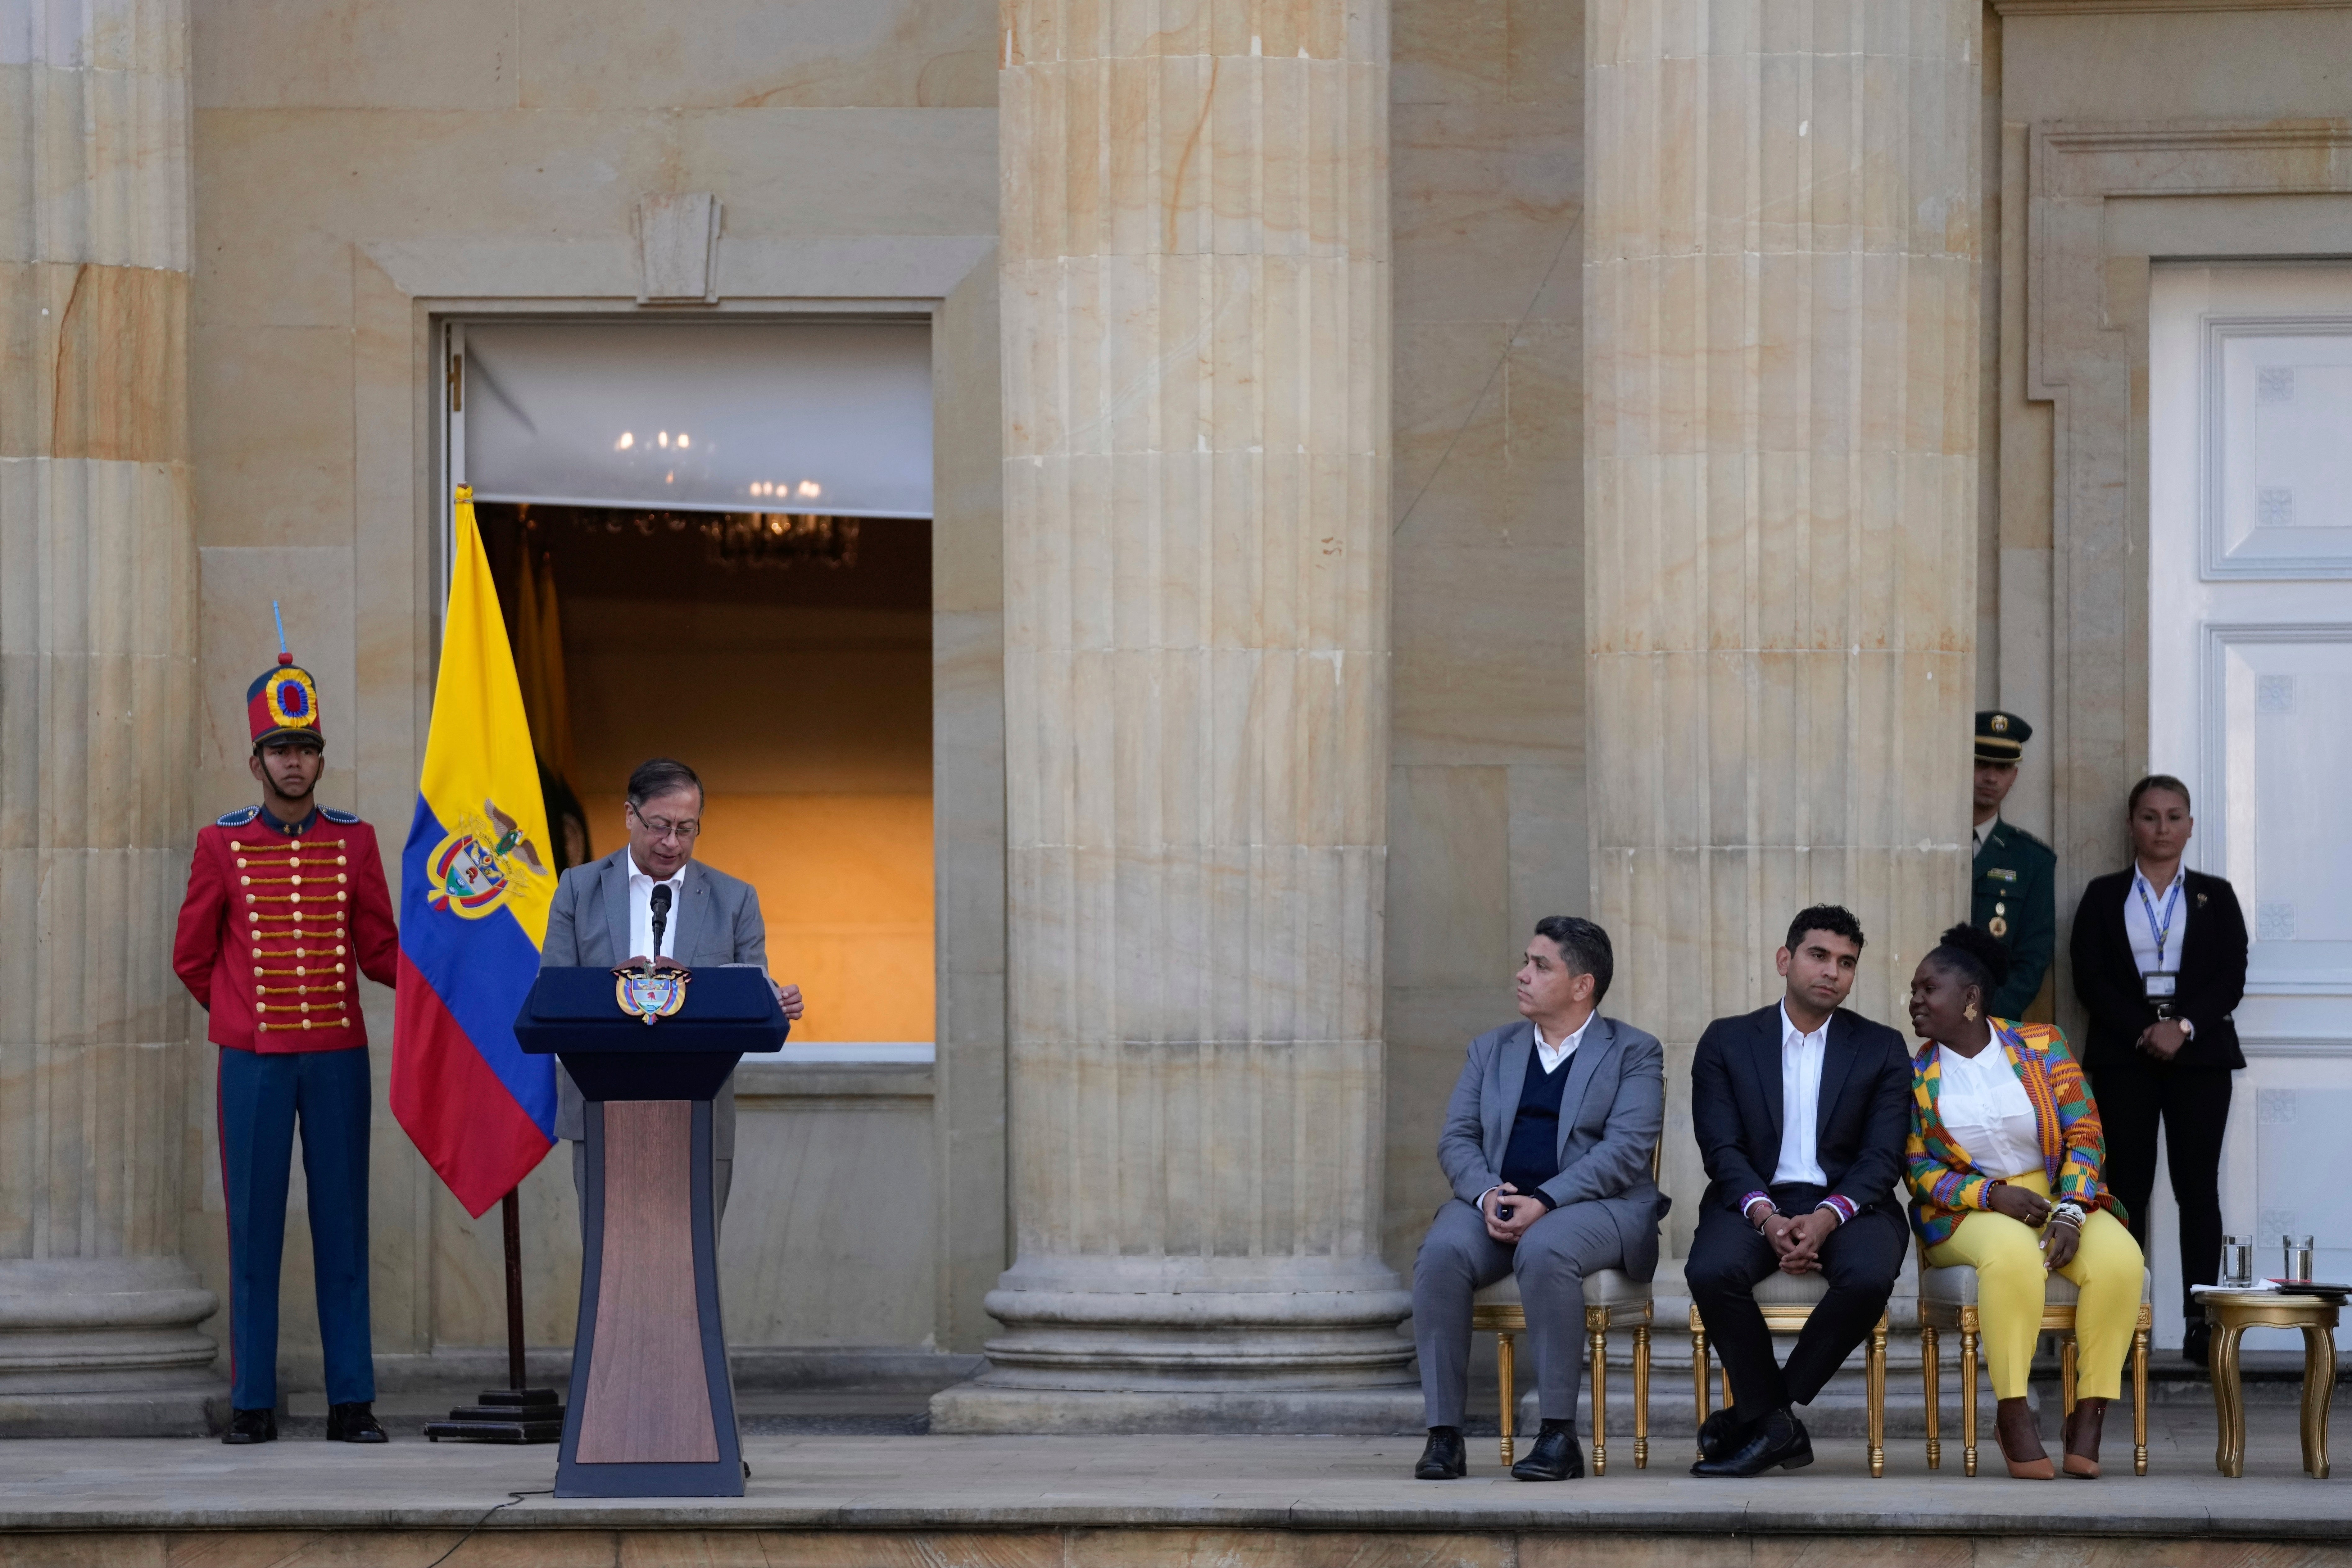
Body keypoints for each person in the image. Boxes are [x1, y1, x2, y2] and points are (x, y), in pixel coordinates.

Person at [172, 630, 399, 1445]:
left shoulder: (357, 839)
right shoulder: (221, 843)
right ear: (255, 762)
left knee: (343, 1222)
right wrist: (240, 1014)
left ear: (321, 758)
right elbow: (192, 956)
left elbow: (378, 950)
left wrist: (443, 978)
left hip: (337, 1056)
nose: (294, 763)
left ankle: (352, 1401)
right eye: (280, 749)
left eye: (305, 748)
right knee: (253, 1229)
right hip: (255, 1061)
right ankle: (253, 1403)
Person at [1410, 918, 1667, 1483]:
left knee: (1546, 1248)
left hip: (1597, 1208)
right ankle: (1444, 1437)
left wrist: (1545, 1200)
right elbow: (1457, 1138)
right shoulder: (1491, 1049)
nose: (1521, 975)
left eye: (1540, 966)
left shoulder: (1634, 1052)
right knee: (1441, 1253)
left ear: (1582, 985)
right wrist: (1484, 1194)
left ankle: (1557, 1436)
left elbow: (1625, 1153)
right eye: (1526, 961)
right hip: (1496, 1202)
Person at [1906, 923, 2144, 1478]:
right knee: (2013, 1258)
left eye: (1928, 988)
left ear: (1970, 998)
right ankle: (2013, 1412)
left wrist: (2070, 1209)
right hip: (1966, 1213)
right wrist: (1991, 1194)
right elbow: (1917, 1169)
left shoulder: (2042, 1044)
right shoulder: (1915, 1075)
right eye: (1914, 990)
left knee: (2120, 1261)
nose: (1915, 1000)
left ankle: (2090, 1412)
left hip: (2058, 1197)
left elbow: (2085, 1131)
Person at [1684, 905, 1914, 1477]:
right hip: (1752, 1200)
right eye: (1819, 955)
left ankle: (1763, 1417)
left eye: (1847, 963)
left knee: (1868, 1277)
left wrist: (1827, 1218)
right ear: (1786, 960)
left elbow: (1882, 1158)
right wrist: (1765, 1216)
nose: (1832, 971)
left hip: (1853, 1206)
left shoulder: (1882, 1047)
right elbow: (1722, 1150)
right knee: (1712, 1271)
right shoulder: (1727, 1041)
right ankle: (1776, 1426)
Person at [541, 757, 804, 1221]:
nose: (672, 842)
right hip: (602, 1109)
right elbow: (555, 995)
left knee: (694, 1264)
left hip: (698, 1112)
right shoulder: (578, 889)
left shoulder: (735, 898)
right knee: (607, 1267)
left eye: (687, 829)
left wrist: (773, 1001)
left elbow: (750, 991)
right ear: (630, 815)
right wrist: (613, 989)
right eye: (660, 825)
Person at [2068, 774, 2247, 1366]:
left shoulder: (2216, 896)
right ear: (2131, 825)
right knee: (2126, 1190)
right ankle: (2124, 1320)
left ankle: (2202, 1323)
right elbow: (2089, 977)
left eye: (2174, 817)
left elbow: (2231, 974)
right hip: (2126, 1058)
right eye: (2150, 817)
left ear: (2190, 826)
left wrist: (2184, 1026)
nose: (2162, 828)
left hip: (2200, 1058)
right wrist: (2145, 1029)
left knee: (2199, 1189)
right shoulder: (2102, 894)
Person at [1971, 710, 2057, 1021]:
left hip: (1993, 1023)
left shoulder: (2032, 859)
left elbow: (2033, 956)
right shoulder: (1925, 847)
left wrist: (1989, 1013)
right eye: (1980, 764)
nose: (1991, 777)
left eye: (2003, 767)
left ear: (2014, 776)